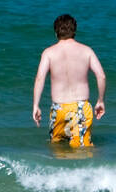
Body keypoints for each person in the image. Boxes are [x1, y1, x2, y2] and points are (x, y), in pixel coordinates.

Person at [32, 14, 105, 148]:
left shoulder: (48, 53)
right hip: (81, 107)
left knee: (57, 148)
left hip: (58, 108)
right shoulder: (87, 51)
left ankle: (60, 169)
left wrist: (36, 105)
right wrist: (100, 101)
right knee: (83, 149)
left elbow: (40, 78)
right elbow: (101, 76)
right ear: (74, 31)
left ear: (56, 32)